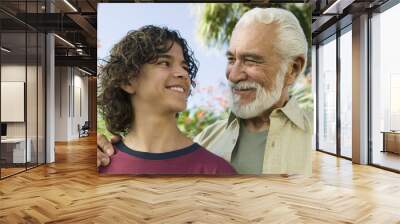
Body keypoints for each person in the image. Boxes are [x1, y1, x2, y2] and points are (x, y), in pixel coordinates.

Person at [98, 8, 312, 175]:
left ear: (292, 70)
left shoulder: (322, 141)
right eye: (231, 60)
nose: (233, 75)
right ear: (127, 81)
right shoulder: (207, 140)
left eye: (251, 60)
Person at [97, 25, 236, 175]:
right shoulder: (100, 164)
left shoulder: (217, 171)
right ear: (128, 81)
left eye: (185, 67)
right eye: (164, 63)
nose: (183, 73)